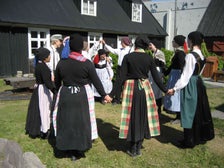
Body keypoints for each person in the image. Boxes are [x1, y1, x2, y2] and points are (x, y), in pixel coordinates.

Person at [53, 34, 112, 161]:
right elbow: (96, 81)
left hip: (66, 94)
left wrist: (58, 93)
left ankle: (68, 148)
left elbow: (57, 83)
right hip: (81, 95)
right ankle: (79, 148)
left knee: (67, 121)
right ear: (81, 47)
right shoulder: (86, 63)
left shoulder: (61, 63)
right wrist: (104, 95)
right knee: (81, 122)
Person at [109, 35, 167, 157]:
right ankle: (138, 145)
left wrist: (112, 94)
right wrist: (165, 90)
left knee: (131, 116)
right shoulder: (148, 58)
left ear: (135, 45)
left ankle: (132, 147)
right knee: (142, 115)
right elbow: (156, 77)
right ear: (145, 46)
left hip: (130, 88)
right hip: (145, 88)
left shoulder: (128, 57)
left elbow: (120, 78)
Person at [167, 31, 215, 148]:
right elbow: (198, 73)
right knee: (197, 111)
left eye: (188, 40)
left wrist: (174, 88)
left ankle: (189, 141)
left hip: (191, 85)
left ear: (192, 41)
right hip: (199, 84)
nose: (187, 42)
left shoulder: (190, 56)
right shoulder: (202, 55)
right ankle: (196, 137)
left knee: (188, 111)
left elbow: (185, 76)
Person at [25, 47, 56, 139]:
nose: (50, 57)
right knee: (44, 110)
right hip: (43, 90)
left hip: (39, 88)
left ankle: (41, 129)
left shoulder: (39, 65)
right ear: (44, 57)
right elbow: (47, 82)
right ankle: (44, 130)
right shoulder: (43, 67)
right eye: (48, 55)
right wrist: (54, 90)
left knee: (40, 109)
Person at [102, 36, 133, 105]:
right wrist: (105, 44)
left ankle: (126, 100)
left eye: (121, 42)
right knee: (118, 84)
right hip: (120, 68)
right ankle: (117, 100)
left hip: (127, 69)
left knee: (125, 84)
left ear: (124, 43)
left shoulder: (130, 50)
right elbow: (112, 50)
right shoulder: (120, 50)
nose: (120, 43)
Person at [163, 35, 186, 124]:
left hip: (177, 76)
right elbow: (173, 65)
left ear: (177, 43)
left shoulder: (180, 53)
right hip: (174, 74)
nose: (172, 42)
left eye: (173, 41)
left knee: (176, 95)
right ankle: (177, 115)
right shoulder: (177, 52)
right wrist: (166, 72)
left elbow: (182, 66)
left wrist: (181, 78)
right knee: (174, 95)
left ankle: (179, 116)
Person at [148, 41, 166, 114]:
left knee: (158, 91)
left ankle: (158, 107)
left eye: (150, 45)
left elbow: (162, 64)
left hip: (158, 72)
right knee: (154, 90)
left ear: (155, 45)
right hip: (153, 72)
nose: (149, 46)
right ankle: (154, 106)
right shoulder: (153, 53)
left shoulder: (160, 53)